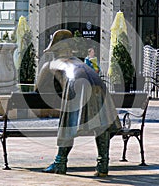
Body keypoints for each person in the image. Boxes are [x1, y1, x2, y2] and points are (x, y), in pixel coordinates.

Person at [35, 29, 121, 177]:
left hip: (77, 84)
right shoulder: (79, 62)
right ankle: (102, 164)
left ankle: (60, 162)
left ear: (54, 50)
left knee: (68, 123)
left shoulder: (50, 64)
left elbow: (37, 89)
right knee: (101, 124)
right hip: (98, 85)